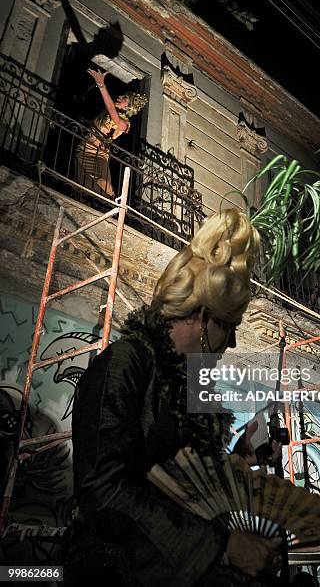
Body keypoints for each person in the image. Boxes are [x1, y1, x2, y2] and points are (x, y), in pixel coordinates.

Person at [64, 209, 285, 587]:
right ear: (201, 316)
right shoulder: (125, 363)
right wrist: (222, 547)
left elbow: (190, 484)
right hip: (115, 569)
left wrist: (240, 458)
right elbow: (104, 490)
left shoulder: (192, 383)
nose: (230, 343)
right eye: (228, 327)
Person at [74, 68, 147, 197]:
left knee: (103, 185)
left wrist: (101, 85)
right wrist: (84, 121)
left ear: (127, 107)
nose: (120, 97)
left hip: (99, 154)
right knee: (83, 180)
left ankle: (105, 207)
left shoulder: (124, 123)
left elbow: (112, 110)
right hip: (85, 148)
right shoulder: (106, 114)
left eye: (124, 97)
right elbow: (97, 124)